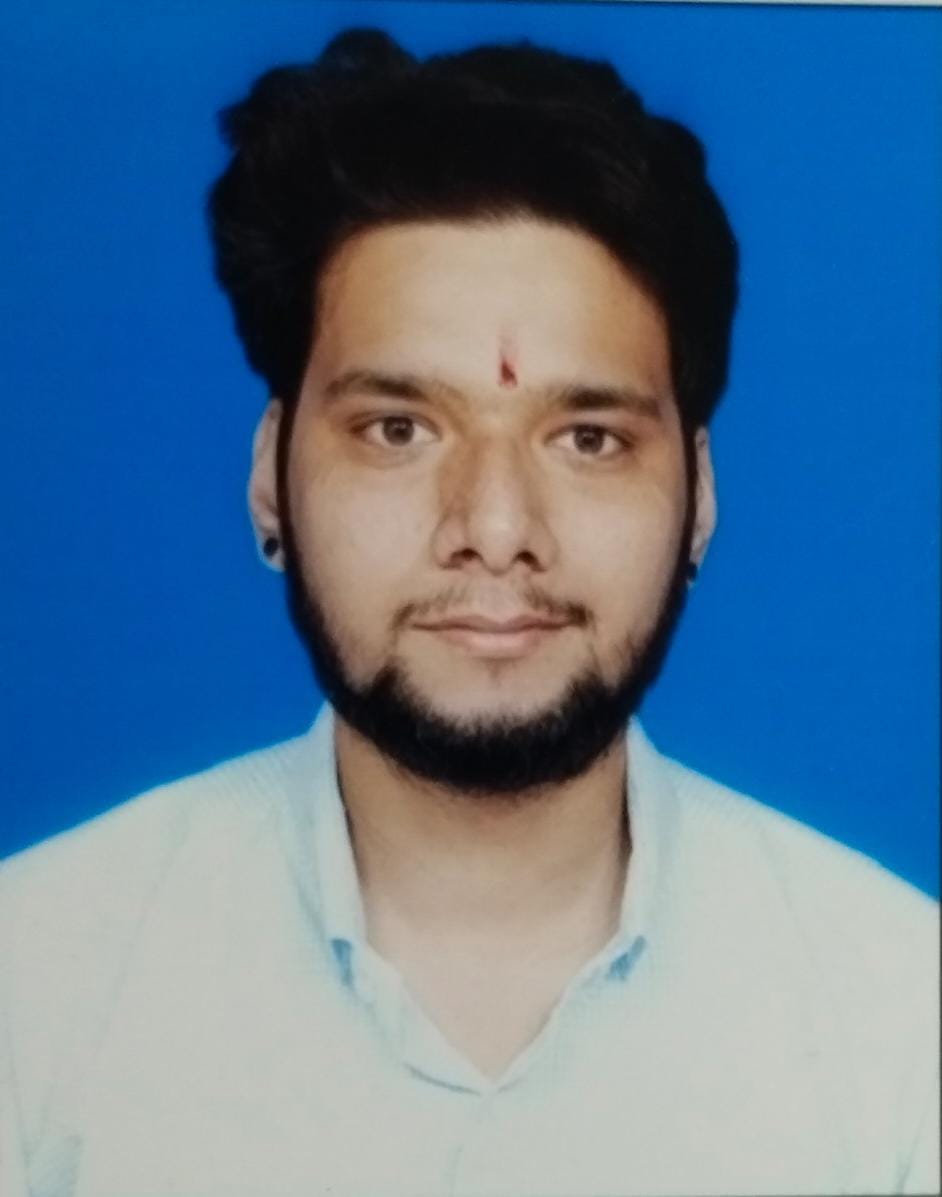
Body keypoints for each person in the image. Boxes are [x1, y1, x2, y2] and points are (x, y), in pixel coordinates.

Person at [0, 27, 937, 1197]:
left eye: (587, 439)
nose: (494, 526)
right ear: (268, 477)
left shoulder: (903, 1027)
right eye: (398, 429)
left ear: (700, 497)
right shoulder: (35, 991)